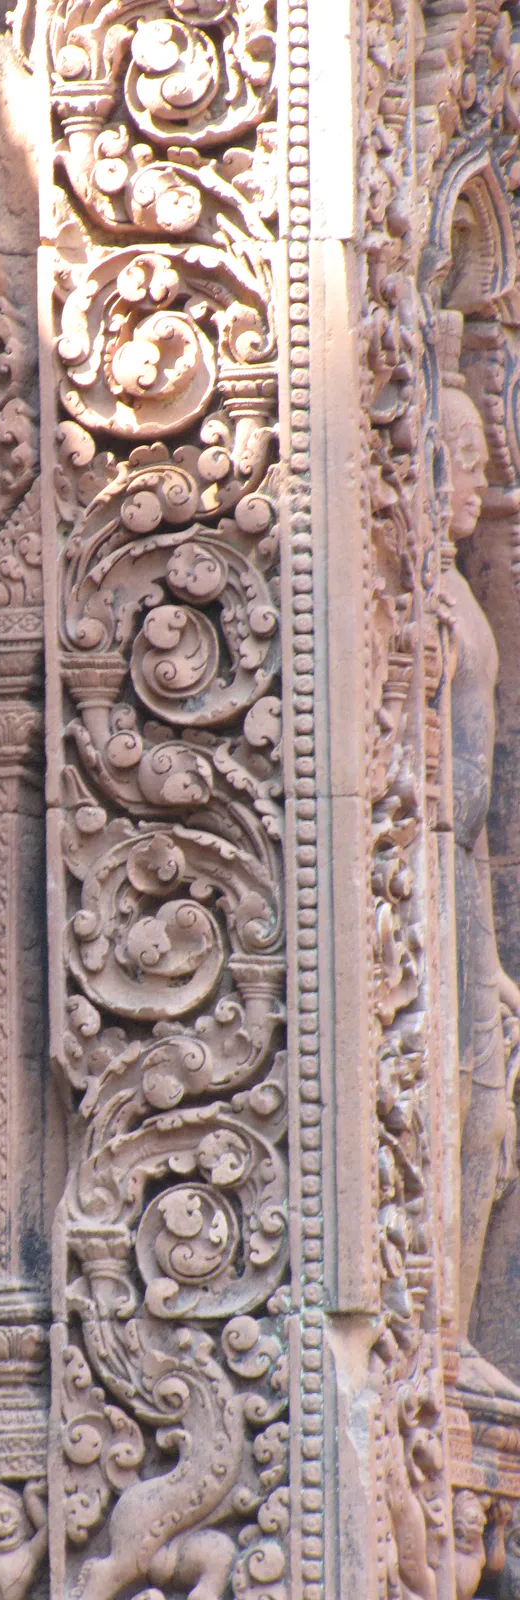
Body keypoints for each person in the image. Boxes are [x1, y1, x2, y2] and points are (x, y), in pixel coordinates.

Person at [437, 310, 520, 1397]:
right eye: (453, 461)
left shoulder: (466, 607)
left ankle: (452, 1328)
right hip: (421, 873)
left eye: (482, 465)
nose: (473, 484)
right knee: (454, 1094)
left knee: (487, 1104)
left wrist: (494, 954)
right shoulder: (426, 610)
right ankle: (439, 1330)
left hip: (456, 878)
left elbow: (481, 804)